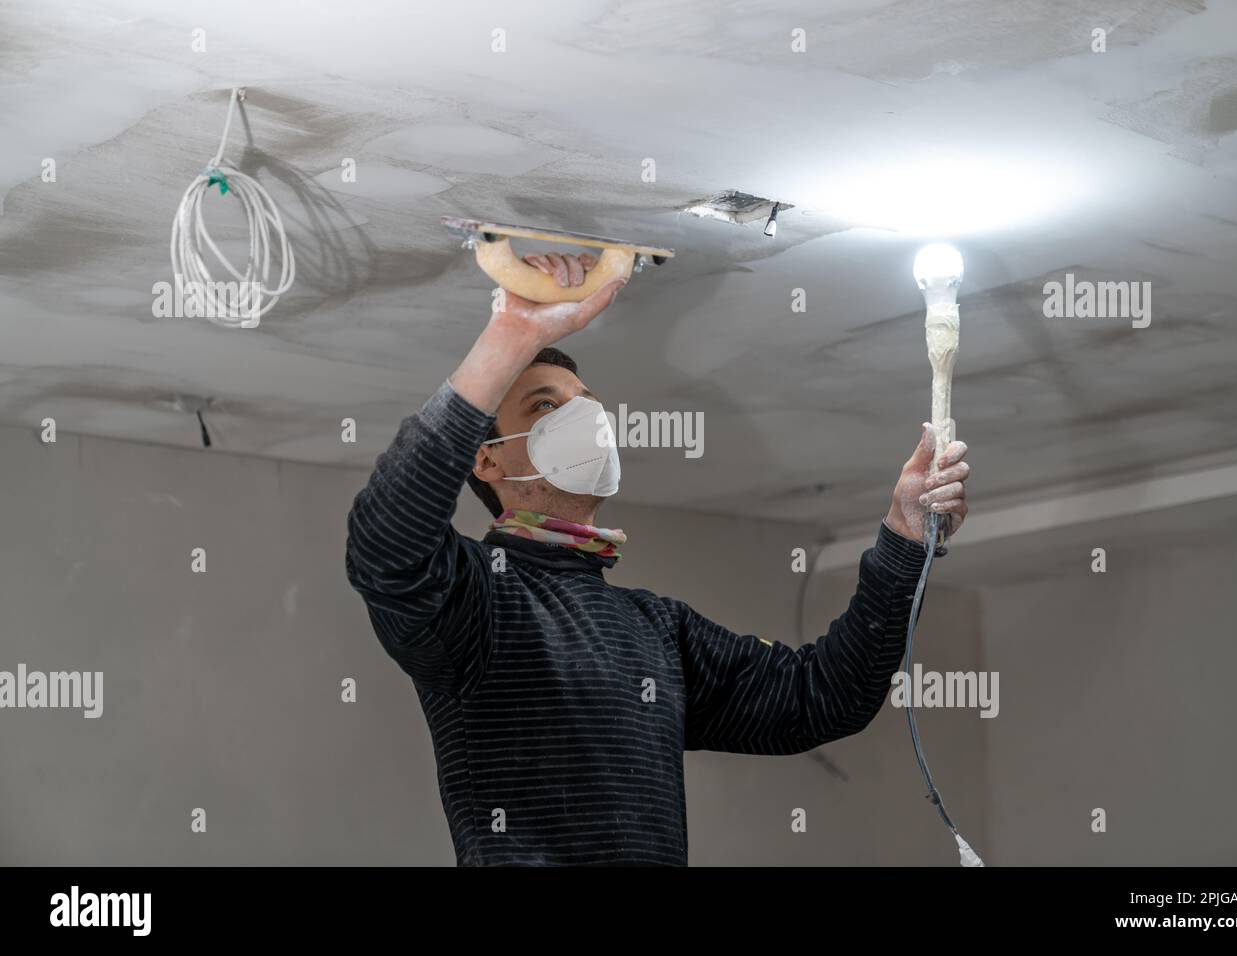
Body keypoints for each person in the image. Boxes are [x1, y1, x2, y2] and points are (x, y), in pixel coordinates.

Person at [345, 251, 971, 865]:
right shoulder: (475, 602)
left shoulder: (656, 631)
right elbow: (387, 540)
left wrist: (904, 538)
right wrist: (511, 333)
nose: (584, 417)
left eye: (586, 401)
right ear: (487, 460)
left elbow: (822, 697)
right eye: (544, 406)